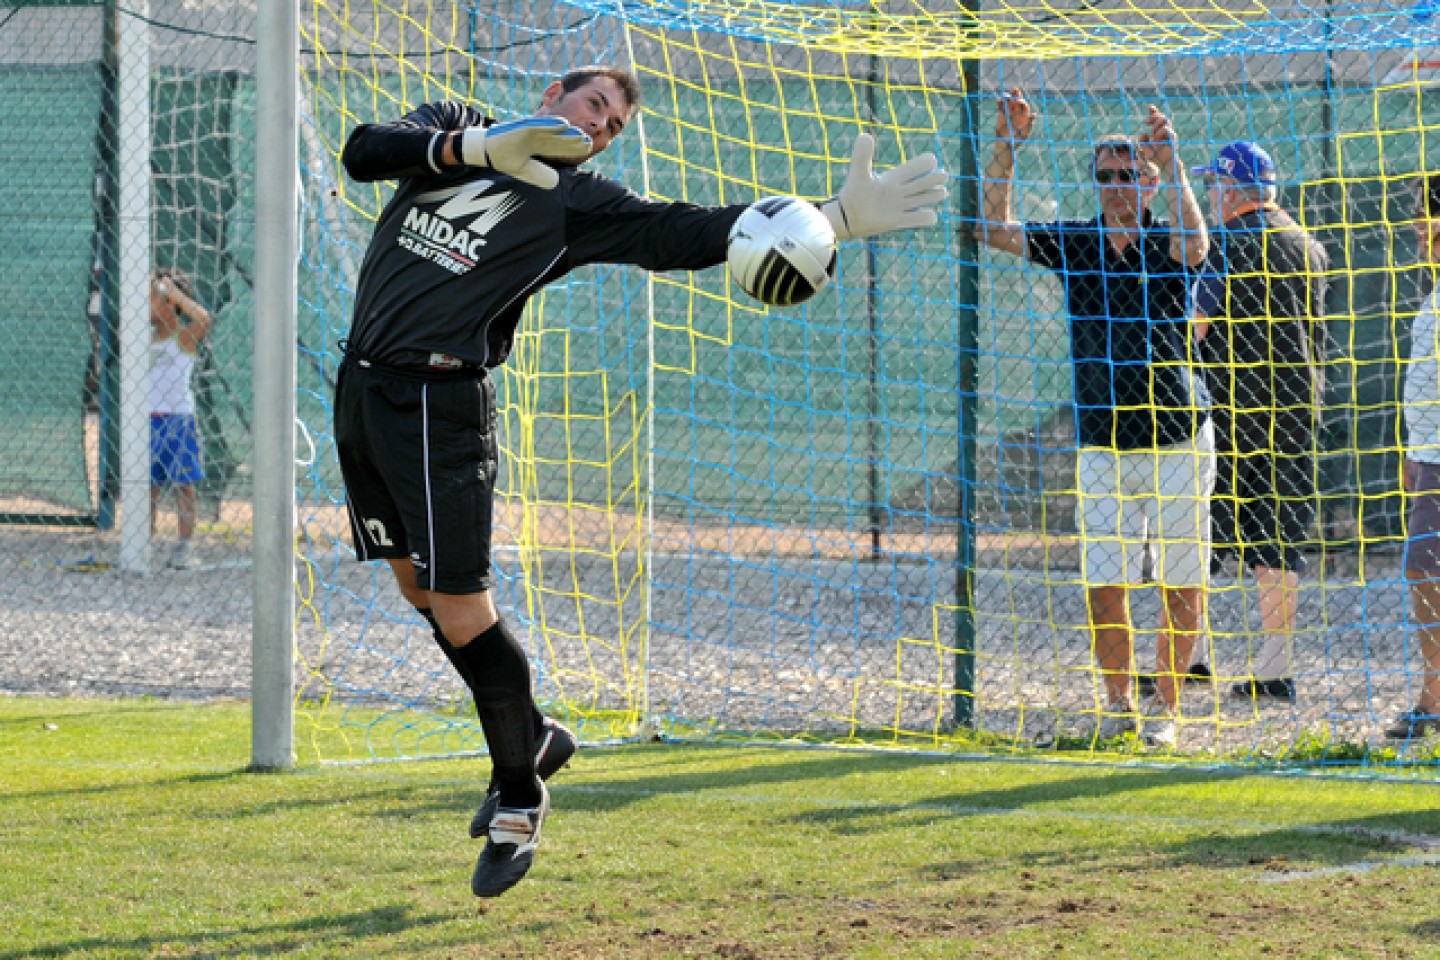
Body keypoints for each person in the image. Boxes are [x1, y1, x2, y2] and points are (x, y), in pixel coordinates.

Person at [337, 64, 947, 897]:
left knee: (461, 607)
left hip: (440, 405)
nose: (600, 126)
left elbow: (685, 232)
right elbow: (363, 152)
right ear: (553, 95)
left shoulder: (577, 205)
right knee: (415, 590)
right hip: (363, 387)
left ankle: (520, 799)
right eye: (595, 106)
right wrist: (483, 145)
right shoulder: (454, 125)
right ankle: (536, 737)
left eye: (615, 125)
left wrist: (833, 217)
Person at [976, 88, 1211, 748]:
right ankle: (1116, 707)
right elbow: (996, 229)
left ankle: (1166, 711)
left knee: (1180, 581)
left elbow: (1198, 247)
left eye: (1129, 174)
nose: (1115, 185)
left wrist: (1177, 165)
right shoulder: (1077, 242)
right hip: (1102, 443)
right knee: (1105, 583)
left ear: (1149, 180)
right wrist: (1008, 149)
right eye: (1105, 176)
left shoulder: (1169, 238)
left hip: (1177, 437)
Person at [1188, 141, 1331, 704]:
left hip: (1229, 413)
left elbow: (1196, 325)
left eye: (1213, 185)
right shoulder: (1309, 246)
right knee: (1279, 540)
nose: (1209, 194)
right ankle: (1276, 668)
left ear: (1230, 188)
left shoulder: (1224, 244)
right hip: (1295, 412)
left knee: (1197, 534)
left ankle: (1193, 657)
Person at [1389, 172, 1440, 741]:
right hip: (1431, 458)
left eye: (1425, 212)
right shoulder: (1433, 291)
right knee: (1424, 573)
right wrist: (1413, 447)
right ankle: (1434, 694)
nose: (1416, 225)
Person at [149, 268, 213, 570]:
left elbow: (203, 320)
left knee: (184, 484)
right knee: (147, 486)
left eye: (153, 297)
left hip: (178, 421)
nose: (146, 303)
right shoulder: (143, 338)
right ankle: (143, 545)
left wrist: (176, 296)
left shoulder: (182, 338)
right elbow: (121, 336)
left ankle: (185, 547)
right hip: (147, 422)